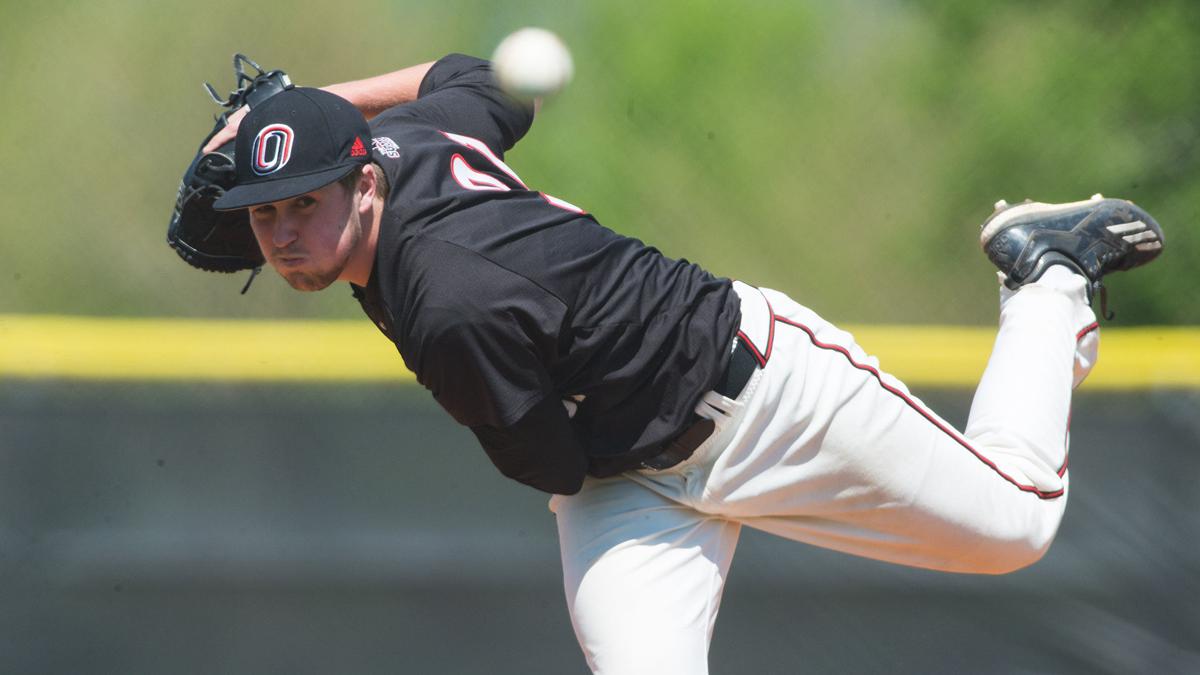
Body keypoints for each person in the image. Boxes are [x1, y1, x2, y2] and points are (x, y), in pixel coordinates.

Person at [203, 53, 1165, 674]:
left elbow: (546, 461)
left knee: (1016, 524)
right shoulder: (411, 138)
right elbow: (491, 78)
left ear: (364, 179)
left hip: (765, 401)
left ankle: (1051, 276)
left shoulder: (451, 300)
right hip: (632, 474)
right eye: (266, 209)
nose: (283, 233)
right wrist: (319, 106)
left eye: (306, 203)